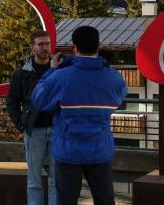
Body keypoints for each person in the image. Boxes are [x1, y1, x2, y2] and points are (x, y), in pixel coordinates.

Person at [32, 26, 127, 205]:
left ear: (74, 48)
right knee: (105, 200)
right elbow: (119, 98)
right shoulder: (113, 77)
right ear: (98, 46)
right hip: (100, 149)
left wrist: (52, 70)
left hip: (68, 151)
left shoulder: (61, 76)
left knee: (66, 201)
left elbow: (39, 99)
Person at [6, 30, 58, 205]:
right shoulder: (22, 73)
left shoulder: (58, 70)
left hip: (57, 129)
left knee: (56, 179)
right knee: (34, 179)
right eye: (41, 44)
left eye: (48, 44)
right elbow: (12, 101)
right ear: (32, 47)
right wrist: (21, 125)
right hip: (33, 130)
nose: (45, 48)